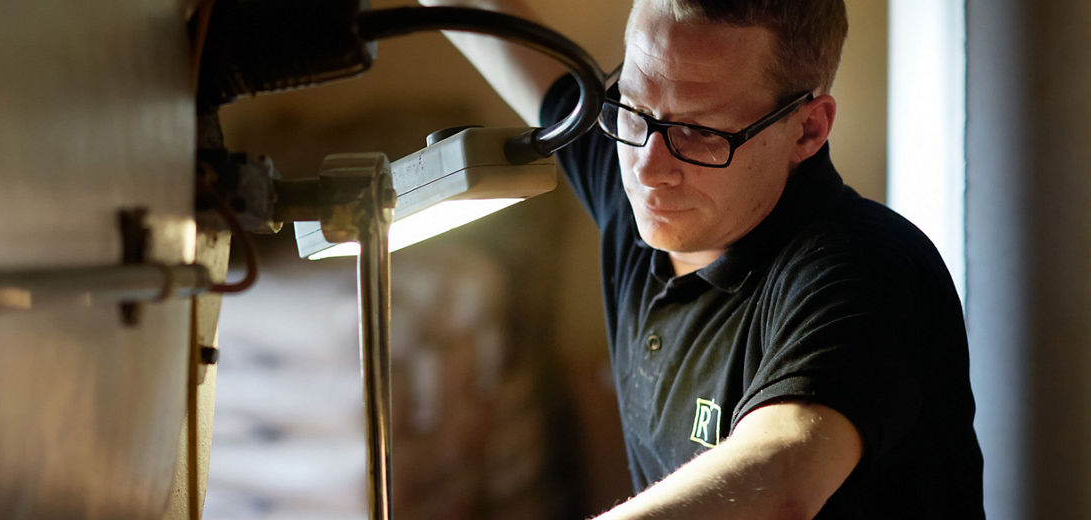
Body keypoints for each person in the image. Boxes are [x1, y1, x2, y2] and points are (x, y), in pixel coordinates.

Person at [420, 0, 985, 518]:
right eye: (631, 107)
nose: (646, 167)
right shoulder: (643, 156)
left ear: (807, 129)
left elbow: (781, 476)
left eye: (696, 132)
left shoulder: (867, 270)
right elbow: (485, 22)